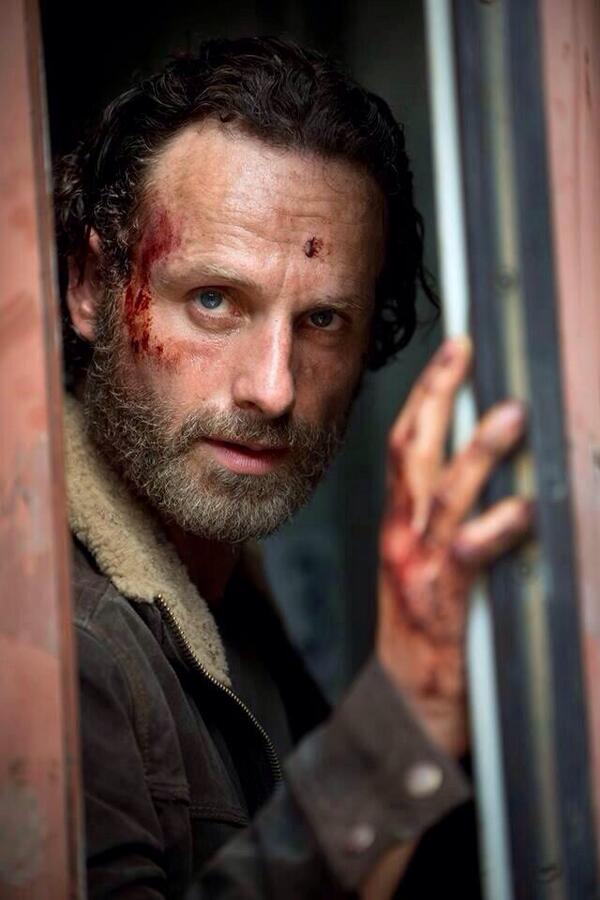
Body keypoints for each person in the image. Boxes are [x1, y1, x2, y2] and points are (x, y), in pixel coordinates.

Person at [56, 36, 531, 898]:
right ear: (90, 286)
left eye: (321, 322)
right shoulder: (56, 645)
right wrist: (403, 719)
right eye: (213, 300)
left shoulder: (221, 584)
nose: (274, 390)